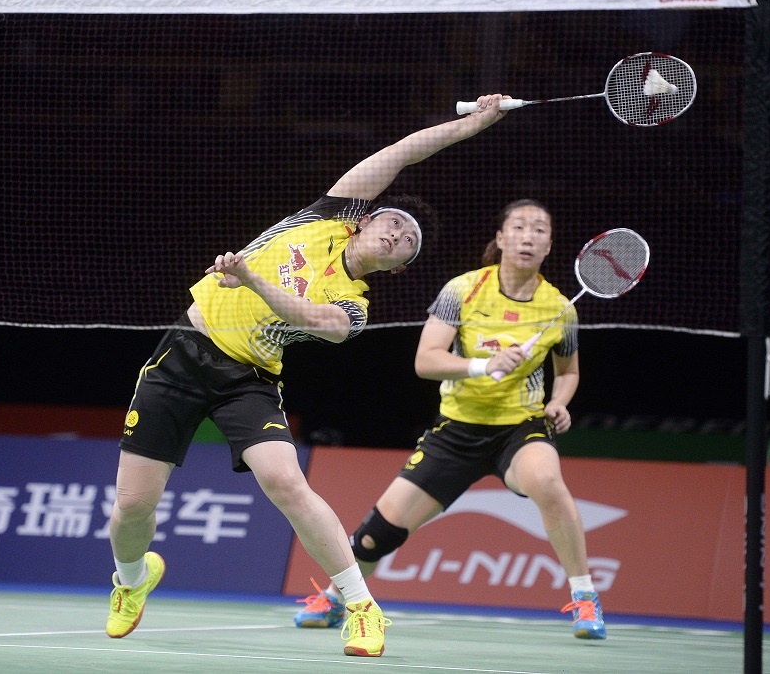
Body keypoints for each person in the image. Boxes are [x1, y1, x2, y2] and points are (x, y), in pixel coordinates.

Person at [104, 94, 513, 657]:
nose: (397, 236)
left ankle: (362, 606)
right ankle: (132, 578)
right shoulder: (326, 216)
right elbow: (400, 154)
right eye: (394, 223)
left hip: (246, 377)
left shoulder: (355, 306)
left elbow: (315, 320)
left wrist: (251, 279)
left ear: (399, 266)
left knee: (287, 482)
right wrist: (471, 126)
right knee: (132, 506)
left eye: (407, 244)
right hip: (184, 352)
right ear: (366, 219)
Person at [294, 198, 607, 640]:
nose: (528, 236)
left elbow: (569, 372)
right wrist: (484, 366)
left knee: (548, 483)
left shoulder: (561, 308)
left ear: (550, 245)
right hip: (456, 430)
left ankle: (584, 599)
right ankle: (334, 599)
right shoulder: (462, 290)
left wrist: (560, 402)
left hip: (520, 428)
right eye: (518, 227)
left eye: (539, 230)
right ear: (500, 239)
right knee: (374, 537)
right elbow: (426, 360)